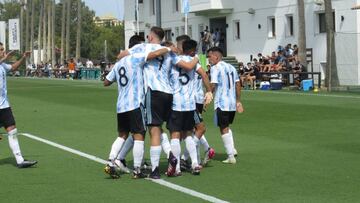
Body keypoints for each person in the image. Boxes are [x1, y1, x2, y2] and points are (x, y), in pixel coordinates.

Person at [119, 27, 200, 179]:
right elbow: (188, 66)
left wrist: (135, 53)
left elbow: (121, 55)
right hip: (169, 93)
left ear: (150, 37)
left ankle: (155, 170)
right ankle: (173, 159)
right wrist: (196, 57)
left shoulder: (144, 47)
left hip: (153, 91)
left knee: (154, 130)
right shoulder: (169, 50)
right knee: (169, 131)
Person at [103, 35, 178, 179]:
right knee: (139, 136)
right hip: (135, 103)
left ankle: (111, 161)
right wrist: (168, 48)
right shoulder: (136, 58)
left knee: (122, 135)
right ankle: (137, 170)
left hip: (121, 106)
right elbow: (154, 54)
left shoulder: (118, 64)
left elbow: (106, 82)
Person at [166, 39, 213, 177]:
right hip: (189, 104)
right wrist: (209, 91)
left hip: (175, 103)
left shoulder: (174, 59)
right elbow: (204, 74)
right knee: (188, 134)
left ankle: (177, 168)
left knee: (175, 134)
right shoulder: (195, 62)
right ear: (192, 50)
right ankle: (194, 164)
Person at [0, 42, 37, 168]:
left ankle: (20, 160)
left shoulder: (2, 65)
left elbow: (13, 68)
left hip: (4, 106)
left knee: (12, 131)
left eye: (3, 49)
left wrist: (23, 58)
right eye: (1, 50)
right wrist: (6, 57)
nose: (3, 51)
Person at [207, 47, 244, 164]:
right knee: (226, 126)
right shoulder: (231, 67)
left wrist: (207, 96)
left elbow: (213, 85)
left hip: (222, 103)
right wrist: (238, 101)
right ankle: (232, 149)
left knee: (223, 128)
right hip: (232, 103)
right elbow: (238, 84)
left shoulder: (215, 68)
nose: (209, 59)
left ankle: (230, 156)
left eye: (210, 56)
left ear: (216, 56)